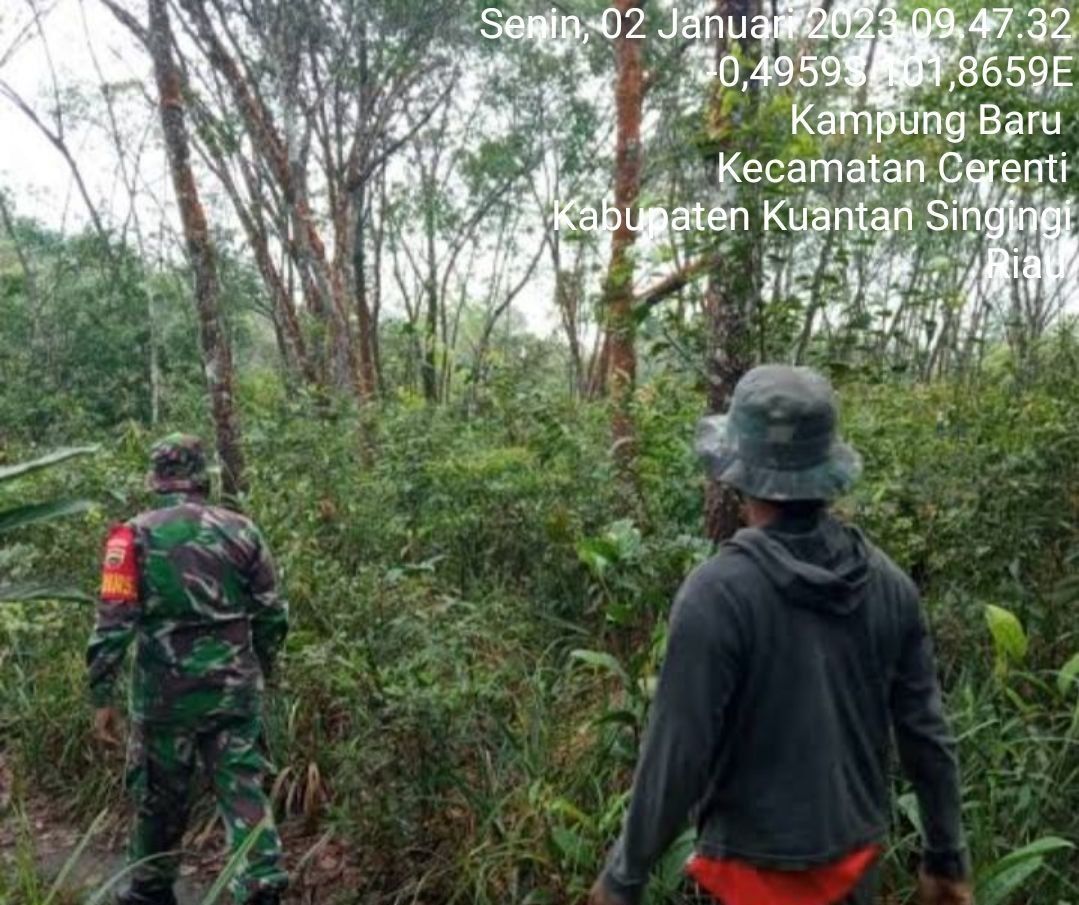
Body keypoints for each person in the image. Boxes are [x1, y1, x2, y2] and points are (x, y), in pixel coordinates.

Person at [588, 365, 973, 905]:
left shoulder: (715, 595)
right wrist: (946, 859)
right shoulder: (889, 584)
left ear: (738, 470)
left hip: (749, 877)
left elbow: (677, 753)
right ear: (825, 467)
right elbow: (926, 734)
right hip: (854, 868)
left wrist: (623, 878)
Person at [87, 434, 289, 905]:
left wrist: (102, 696)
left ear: (155, 477)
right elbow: (272, 613)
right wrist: (263, 664)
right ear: (203, 474)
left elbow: (114, 621)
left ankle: (151, 890)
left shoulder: (130, 536)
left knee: (159, 794)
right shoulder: (242, 531)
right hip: (233, 690)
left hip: (164, 697)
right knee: (241, 786)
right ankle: (260, 884)